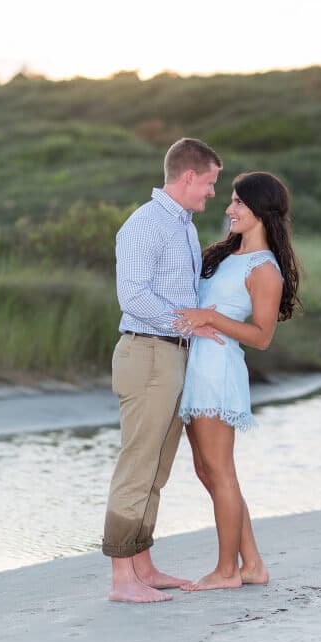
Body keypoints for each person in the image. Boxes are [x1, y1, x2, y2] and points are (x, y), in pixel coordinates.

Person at [169, 171, 302, 591]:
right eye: (231, 201)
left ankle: (227, 571)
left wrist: (210, 317)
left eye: (239, 203)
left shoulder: (265, 269)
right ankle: (254, 565)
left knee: (221, 472)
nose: (229, 209)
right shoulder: (227, 254)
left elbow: (262, 337)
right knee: (207, 471)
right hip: (196, 365)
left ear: (261, 211)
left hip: (218, 370)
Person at [104, 137, 223, 603]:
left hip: (173, 354)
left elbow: (180, 293)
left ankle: (143, 565)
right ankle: (121, 579)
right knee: (138, 465)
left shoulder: (185, 227)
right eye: (211, 182)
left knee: (157, 467)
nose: (213, 192)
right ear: (189, 176)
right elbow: (131, 297)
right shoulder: (146, 224)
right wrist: (188, 321)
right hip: (148, 353)